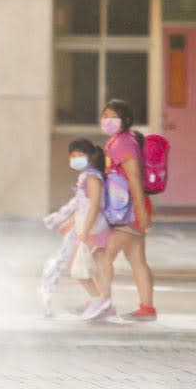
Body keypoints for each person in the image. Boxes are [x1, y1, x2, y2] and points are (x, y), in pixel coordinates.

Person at [96, 99, 156, 321]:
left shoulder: (123, 143)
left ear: (125, 119)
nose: (106, 120)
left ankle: (102, 302)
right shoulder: (118, 141)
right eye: (104, 115)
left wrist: (141, 212)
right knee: (137, 260)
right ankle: (147, 308)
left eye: (112, 115)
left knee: (102, 256)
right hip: (127, 211)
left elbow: (135, 178)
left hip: (128, 213)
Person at [41, 138, 111, 319]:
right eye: (73, 155)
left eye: (80, 155)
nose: (76, 159)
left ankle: (100, 300)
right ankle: (101, 302)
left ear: (90, 157)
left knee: (81, 268)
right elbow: (82, 204)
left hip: (94, 230)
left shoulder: (93, 178)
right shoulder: (86, 177)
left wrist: (85, 230)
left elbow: (95, 205)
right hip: (88, 229)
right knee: (88, 268)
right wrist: (71, 221)